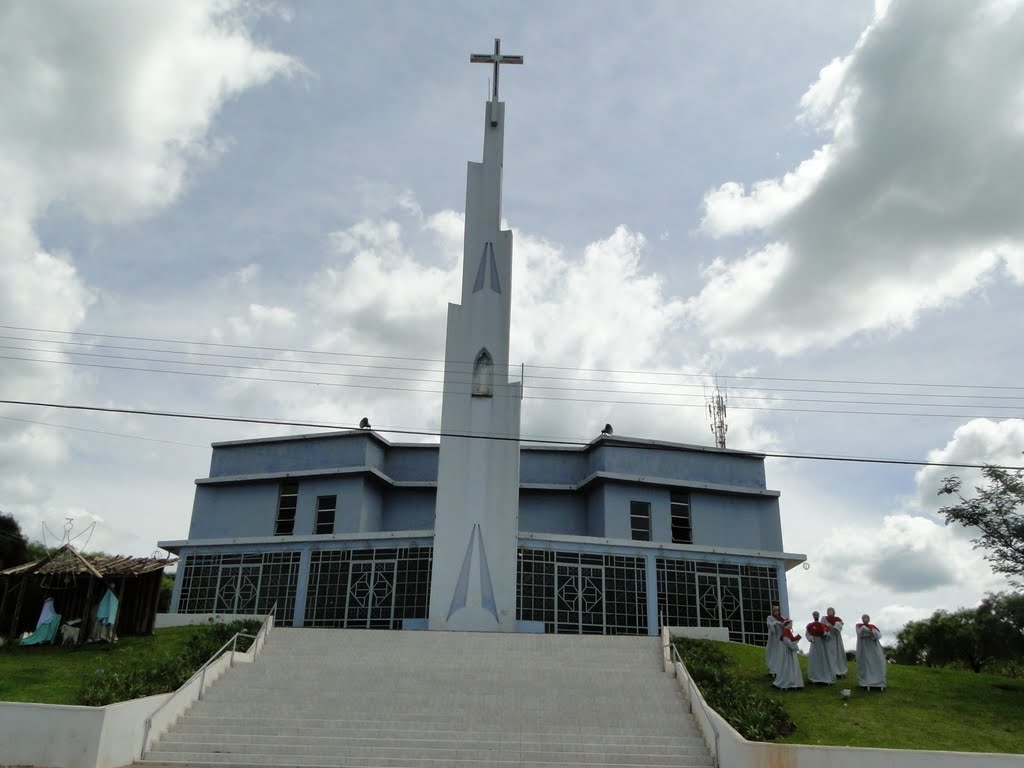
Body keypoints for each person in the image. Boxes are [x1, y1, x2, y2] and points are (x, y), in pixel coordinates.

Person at [856, 614, 886, 690]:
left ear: (869, 619)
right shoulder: (859, 626)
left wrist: (871, 632)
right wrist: (869, 632)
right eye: (864, 618)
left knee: (876, 663)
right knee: (866, 664)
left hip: (873, 648)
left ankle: (878, 682)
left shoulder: (873, 626)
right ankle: (866, 681)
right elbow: (860, 633)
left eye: (866, 618)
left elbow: (878, 635)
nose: (865, 619)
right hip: (865, 648)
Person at [805, 611, 835, 685]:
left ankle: (824, 677)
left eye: (817, 615)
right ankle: (815, 678)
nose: (816, 616)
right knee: (815, 660)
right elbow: (807, 634)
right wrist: (811, 638)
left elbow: (828, 636)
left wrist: (825, 635)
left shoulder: (823, 625)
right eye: (815, 615)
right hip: (815, 645)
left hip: (822, 645)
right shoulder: (810, 625)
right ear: (813, 616)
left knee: (824, 660)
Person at [773, 619, 804, 690]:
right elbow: (789, 643)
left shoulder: (788, 632)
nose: (792, 625)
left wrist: (795, 640)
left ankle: (793, 682)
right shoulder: (785, 632)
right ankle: (787, 683)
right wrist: (796, 641)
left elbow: (791, 640)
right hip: (787, 654)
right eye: (791, 624)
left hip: (790, 653)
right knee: (787, 667)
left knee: (792, 667)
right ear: (788, 624)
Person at [823, 606, 848, 677]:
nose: (829, 612)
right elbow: (822, 625)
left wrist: (836, 626)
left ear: (833, 612)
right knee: (830, 653)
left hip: (836, 637)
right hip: (829, 637)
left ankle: (839, 670)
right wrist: (828, 626)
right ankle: (831, 670)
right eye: (828, 611)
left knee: (838, 653)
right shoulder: (824, 618)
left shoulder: (837, 619)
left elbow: (840, 624)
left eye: (831, 611)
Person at [764, 604, 785, 677]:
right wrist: (775, 623)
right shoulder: (770, 617)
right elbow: (769, 625)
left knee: (780, 652)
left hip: (779, 638)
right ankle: (772, 669)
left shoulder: (781, 618)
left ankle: (779, 669)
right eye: (775, 610)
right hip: (773, 638)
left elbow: (785, 625)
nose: (777, 612)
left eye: (778, 610)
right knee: (773, 652)